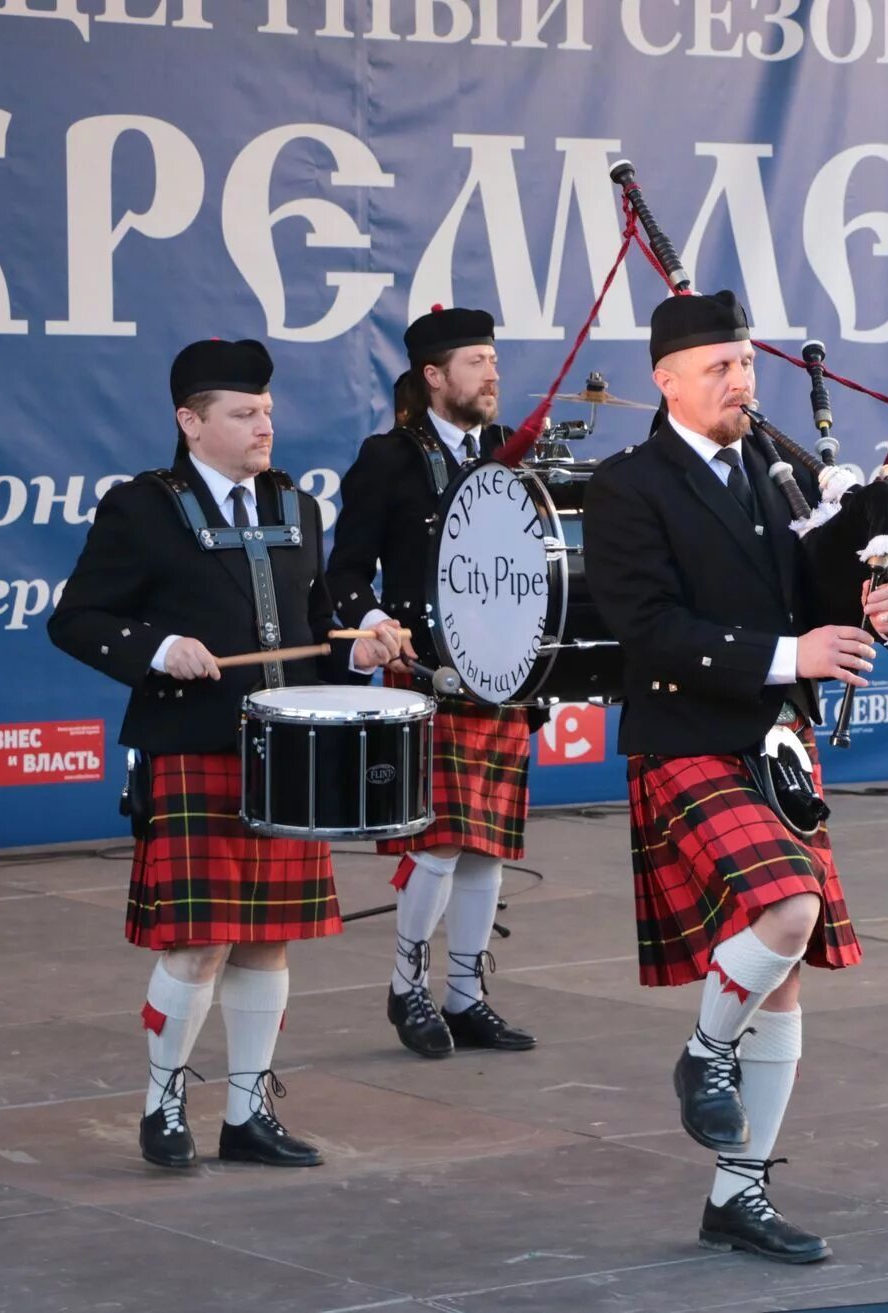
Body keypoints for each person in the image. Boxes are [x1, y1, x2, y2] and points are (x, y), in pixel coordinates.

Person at [583, 290, 888, 1264]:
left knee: (780, 985)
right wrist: (791, 653)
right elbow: (649, 632)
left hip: (775, 745)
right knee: (785, 907)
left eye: (745, 364)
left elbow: (822, 595)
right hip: (686, 734)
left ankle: (739, 1191)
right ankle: (701, 1052)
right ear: (667, 379)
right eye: (719, 367)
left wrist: (875, 608)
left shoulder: (779, 476)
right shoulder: (628, 486)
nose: (740, 381)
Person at [49, 338, 402, 1169]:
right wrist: (159, 644)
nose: (263, 427)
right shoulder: (143, 507)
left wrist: (360, 648)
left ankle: (247, 1113)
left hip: (285, 757)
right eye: (243, 414)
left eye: (267, 412)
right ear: (190, 421)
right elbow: (75, 618)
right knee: (198, 941)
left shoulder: (296, 506)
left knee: (266, 939)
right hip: (193, 750)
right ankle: (162, 1104)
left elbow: (319, 631)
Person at [327, 305, 537, 1060]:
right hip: (426, 671)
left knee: (487, 850)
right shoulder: (389, 457)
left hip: (504, 675)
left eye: (493, 359)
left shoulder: (508, 457)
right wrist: (380, 622)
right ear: (433, 375)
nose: (492, 373)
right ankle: (405, 985)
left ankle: (466, 994)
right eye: (476, 360)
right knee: (442, 844)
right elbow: (343, 572)